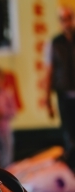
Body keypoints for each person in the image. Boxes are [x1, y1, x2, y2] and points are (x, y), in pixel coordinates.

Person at [45, 6, 75, 170]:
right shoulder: (54, 43)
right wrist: (47, 99)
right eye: (63, 19)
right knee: (68, 133)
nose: (67, 22)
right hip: (64, 95)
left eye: (69, 18)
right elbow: (49, 72)